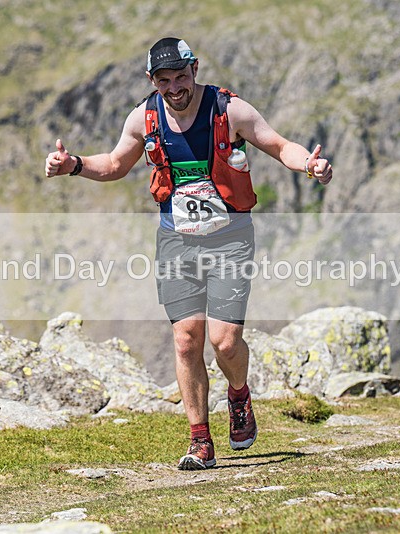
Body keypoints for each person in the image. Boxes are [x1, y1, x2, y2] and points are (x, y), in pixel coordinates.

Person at [45, 37, 333, 469]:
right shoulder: (144, 118)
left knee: (225, 341)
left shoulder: (227, 109)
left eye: (181, 76)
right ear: (152, 80)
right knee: (185, 340)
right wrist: (75, 166)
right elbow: (115, 164)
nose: (175, 87)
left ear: (194, 69)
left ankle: (238, 395)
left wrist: (309, 164)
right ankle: (201, 440)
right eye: (165, 80)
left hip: (229, 237)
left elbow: (277, 145)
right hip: (176, 240)